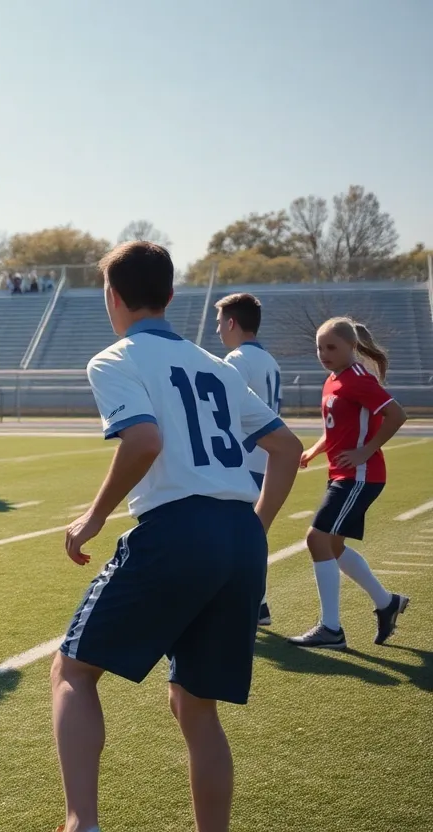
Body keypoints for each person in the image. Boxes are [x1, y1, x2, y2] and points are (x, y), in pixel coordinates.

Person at [52, 242, 302, 832]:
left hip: (178, 528)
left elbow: (143, 442)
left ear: (112, 296)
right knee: (195, 704)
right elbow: (287, 450)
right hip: (239, 534)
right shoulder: (217, 364)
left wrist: (92, 517)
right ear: (170, 296)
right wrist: (256, 527)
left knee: (73, 671)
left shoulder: (115, 358)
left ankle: (79, 823)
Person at [286, 317, 409, 650]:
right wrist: (313, 451)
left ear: (351, 347)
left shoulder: (357, 379)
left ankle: (331, 629)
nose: (323, 353)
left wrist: (366, 451)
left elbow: (397, 415)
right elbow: (335, 428)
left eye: (331, 347)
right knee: (334, 547)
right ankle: (387, 603)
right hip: (342, 475)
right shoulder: (333, 378)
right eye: (319, 347)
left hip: (361, 476)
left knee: (316, 539)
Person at [215, 292, 283, 626]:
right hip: (264, 457)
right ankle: (259, 602)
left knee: (232, 533)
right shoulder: (269, 360)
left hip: (243, 457)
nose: (217, 331)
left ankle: (250, 601)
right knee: (249, 533)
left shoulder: (236, 360)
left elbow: (226, 412)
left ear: (232, 322)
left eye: (219, 323)